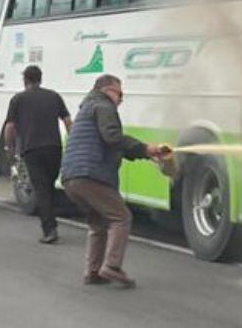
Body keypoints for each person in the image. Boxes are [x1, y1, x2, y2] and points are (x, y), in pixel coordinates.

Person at [59, 74, 171, 288]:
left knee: (98, 222)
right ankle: (112, 266)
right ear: (107, 90)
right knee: (121, 217)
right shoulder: (104, 106)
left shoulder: (87, 108)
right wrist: (145, 148)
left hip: (71, 177)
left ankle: (92, 272)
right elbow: (113, 137)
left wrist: (146, 154)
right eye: (120, 94)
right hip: (91, 174)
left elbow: (109, 143)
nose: (121, 99)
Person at [0, 65, 71, 244]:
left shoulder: (18, 99)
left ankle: (50, 229)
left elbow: (10, 127)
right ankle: (51, 221)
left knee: (41, 189)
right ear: (40, 78)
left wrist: (9, 148)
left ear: (25, 80)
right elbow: (68, 121)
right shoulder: (54, 96)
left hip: (32, 150)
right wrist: (73, 144)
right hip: (54, 148)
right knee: (49, 186)